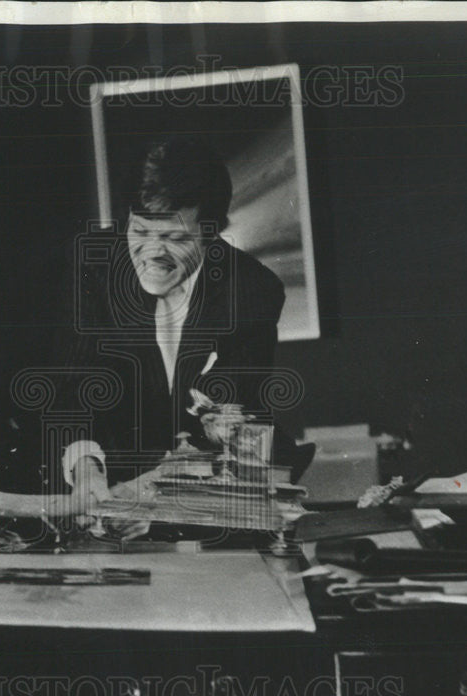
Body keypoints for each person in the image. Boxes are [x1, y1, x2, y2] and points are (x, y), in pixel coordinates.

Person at [58, 136, 297, 506]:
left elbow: (235, 414)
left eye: (174, 238)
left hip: (200, 490)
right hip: (104, 481)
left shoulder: (253, 290)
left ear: (210, 232)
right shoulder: (92, 267)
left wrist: (158, 486)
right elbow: (77, 385)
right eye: (139, 232)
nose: (153, 254)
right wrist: (86, 464)